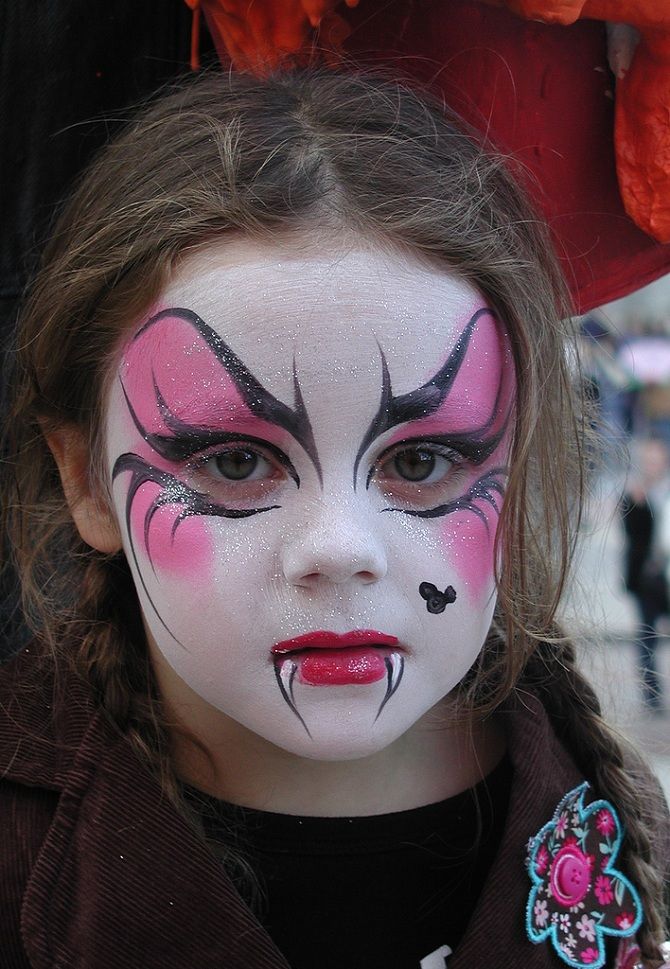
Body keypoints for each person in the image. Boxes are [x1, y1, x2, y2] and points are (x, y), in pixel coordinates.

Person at [0, 69, 668, 969]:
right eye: (235, 462)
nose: (340, 548)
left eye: (421, 462)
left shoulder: (632, 841)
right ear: (84, 478)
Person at [621, 437, 670, 712]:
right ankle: (652, 697)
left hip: (667, 577)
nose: (653, 465)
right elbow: (631, 538)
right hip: (645, 580)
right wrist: (637, 505)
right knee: (647, 637)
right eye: (648, 460)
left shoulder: (666, 493)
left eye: (657, 459)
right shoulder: (634, 495)